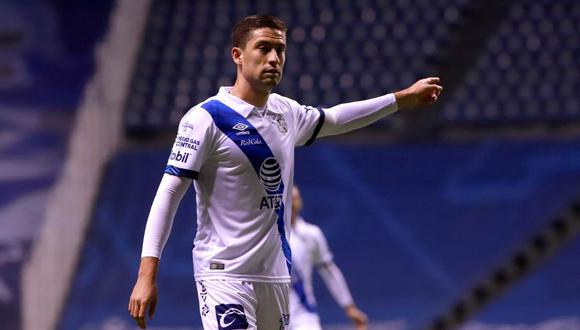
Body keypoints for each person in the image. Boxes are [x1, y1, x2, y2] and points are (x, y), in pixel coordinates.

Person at [128, 14, 442, 330]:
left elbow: (334, 119)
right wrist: (146, 275)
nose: (274, 58)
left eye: (280, 50)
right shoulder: (205, 118)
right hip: (224, 274)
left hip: (276, 277)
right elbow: (168, 193)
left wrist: (400, 100)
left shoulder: (285, 112)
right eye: (263, 48)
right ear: (237, 55)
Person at [290, 186, 367, 330]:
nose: (292, 202)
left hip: (304, 314)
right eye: (288, 197)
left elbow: (329, 272)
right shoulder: (267, 234)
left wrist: (349, 306)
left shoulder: (312, 234)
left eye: (296, 198)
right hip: (269, 312)